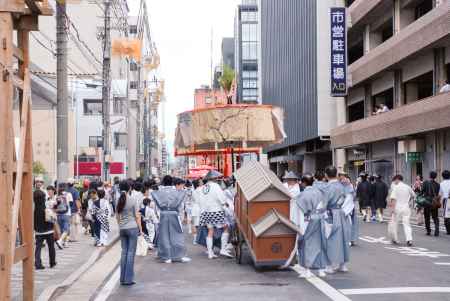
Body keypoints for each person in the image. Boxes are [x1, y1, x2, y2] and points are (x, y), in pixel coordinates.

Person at [151, 175, 191, 263]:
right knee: (177, 234)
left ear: (163, 182)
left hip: (164, 213)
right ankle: (179, 255)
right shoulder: (177, 191)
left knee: (164, 235)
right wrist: (181, 216)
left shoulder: (158, 192)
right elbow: (181, 203)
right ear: (172, 182)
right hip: (174, 213)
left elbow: (156, 203)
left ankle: (166, 256)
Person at [294, 173, 327, 278]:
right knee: (320, 243)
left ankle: (307, 270)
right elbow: (323, 207)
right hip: (320, 219)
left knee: (306, 244)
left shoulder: (302, 195)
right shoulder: (319, 192)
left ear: (303, 183)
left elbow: (299, 212)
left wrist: (298, 225)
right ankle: (321, 270)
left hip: (307, 221)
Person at [197, 170, 233, 259]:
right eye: (217, 178)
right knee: (226, 227)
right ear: (214, 179)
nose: (218, 180)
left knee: (210, 231)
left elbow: (199, 200)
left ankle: (210, 252)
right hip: (216, 211)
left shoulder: (203, 187)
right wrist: (226, 204)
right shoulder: (216, 186)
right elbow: (222, 198)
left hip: (205, 212)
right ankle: (223, 249)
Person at [324, 166, 350, 273]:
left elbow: (323, 203)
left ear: (326, 175)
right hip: (342, 213)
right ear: (336, 174)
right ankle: (343, 265)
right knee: (343, 238)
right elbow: (349, 199)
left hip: (331, 214)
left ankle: (329, 266)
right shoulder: (342, 186)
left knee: (329, 239)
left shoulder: (327, 188)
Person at [116, 180, 142, 285]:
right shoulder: (133, 199)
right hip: (132, 228)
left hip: (122, 228)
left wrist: (120, 225)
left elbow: (117, 216)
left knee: (124, 253)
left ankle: (122, 278)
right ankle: (128, 279)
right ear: (129, 188)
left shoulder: (118, 200)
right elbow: (137, 215)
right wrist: (140, 228)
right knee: (131, 253)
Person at [388, 175, 415, 246]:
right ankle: (409, 239)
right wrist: (408, 202)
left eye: (394, 180)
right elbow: (413, 195)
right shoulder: (407, 187)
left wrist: (392, 209)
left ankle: (395, 239)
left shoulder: (396, 187)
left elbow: (393, 199)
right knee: (407, 224)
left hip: (397, 207)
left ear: (397, 179)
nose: (394, 182)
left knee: (395, 223)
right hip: (406, 207)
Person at [34, 189, 56, 269]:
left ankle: (38, 263)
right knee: (51, 247)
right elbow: (52, 216)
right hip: (49, 229)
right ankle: (52, 262)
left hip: (38, 231)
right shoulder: (46, 205)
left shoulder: (34, 208)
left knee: (38, 247)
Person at [340, 173, 358, 246]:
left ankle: (350, 239)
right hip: (348, 207)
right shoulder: (347, 186)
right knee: (350, 224)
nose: (344, 180)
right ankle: (351, 239)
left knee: (349, 224)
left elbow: (353, 197)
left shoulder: (348, 186)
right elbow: (354, 196)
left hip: (348, 208)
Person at [422, 171, 440, 236]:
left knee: (427, 217)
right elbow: (438, 194)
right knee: (435, 217)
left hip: (427, 202)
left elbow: (422, 192)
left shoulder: (425, 183)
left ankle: (428, 231)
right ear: (435, 177)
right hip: (434, 202)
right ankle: (437, 230)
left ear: (429, 176)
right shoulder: (438, 184)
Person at [55, 183, 72, 249]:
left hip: (59, 214)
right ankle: (60, 241)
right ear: (66, 187)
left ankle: (64, 243)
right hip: (66, 214)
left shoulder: (57, 195)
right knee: (67, 230)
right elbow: (71, 204)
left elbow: (55, 205)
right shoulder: (68, 194)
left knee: (62, 230)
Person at [191, 179, 203, 243]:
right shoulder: (202, 190)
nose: (202, 182)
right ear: (198, 183)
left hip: (195, 208)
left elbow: (193, 200)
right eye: (201, 182)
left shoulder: (194, 191)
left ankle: (195, 239)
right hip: (201, 208)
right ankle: (200, 238)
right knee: (202, 224)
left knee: (195, 224)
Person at [439, 170, 450, 235]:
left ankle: (448, 230)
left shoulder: (441, 184)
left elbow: (440, 194)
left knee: (446, 215)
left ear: (442, 176)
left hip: (445, 200)